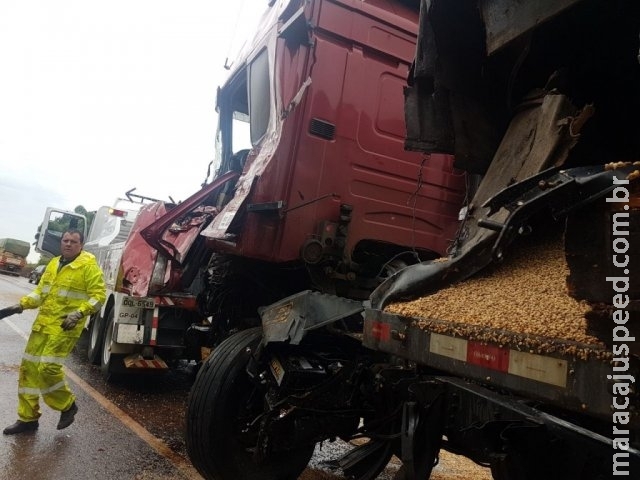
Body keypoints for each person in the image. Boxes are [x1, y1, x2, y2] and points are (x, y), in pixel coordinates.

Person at [0, 229, 106, 435]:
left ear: (81, 245)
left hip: (64, 327)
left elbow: (99, 296)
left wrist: (78, 313)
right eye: (65, 240)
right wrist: (19, 306)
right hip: (42, 326)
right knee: (29, 370)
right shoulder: (54, 263)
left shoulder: (88, 266)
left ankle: (67, 405)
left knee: (47, 369)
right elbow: (41, 293)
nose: (68, 244)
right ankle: (27, 419)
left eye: (73, 241)